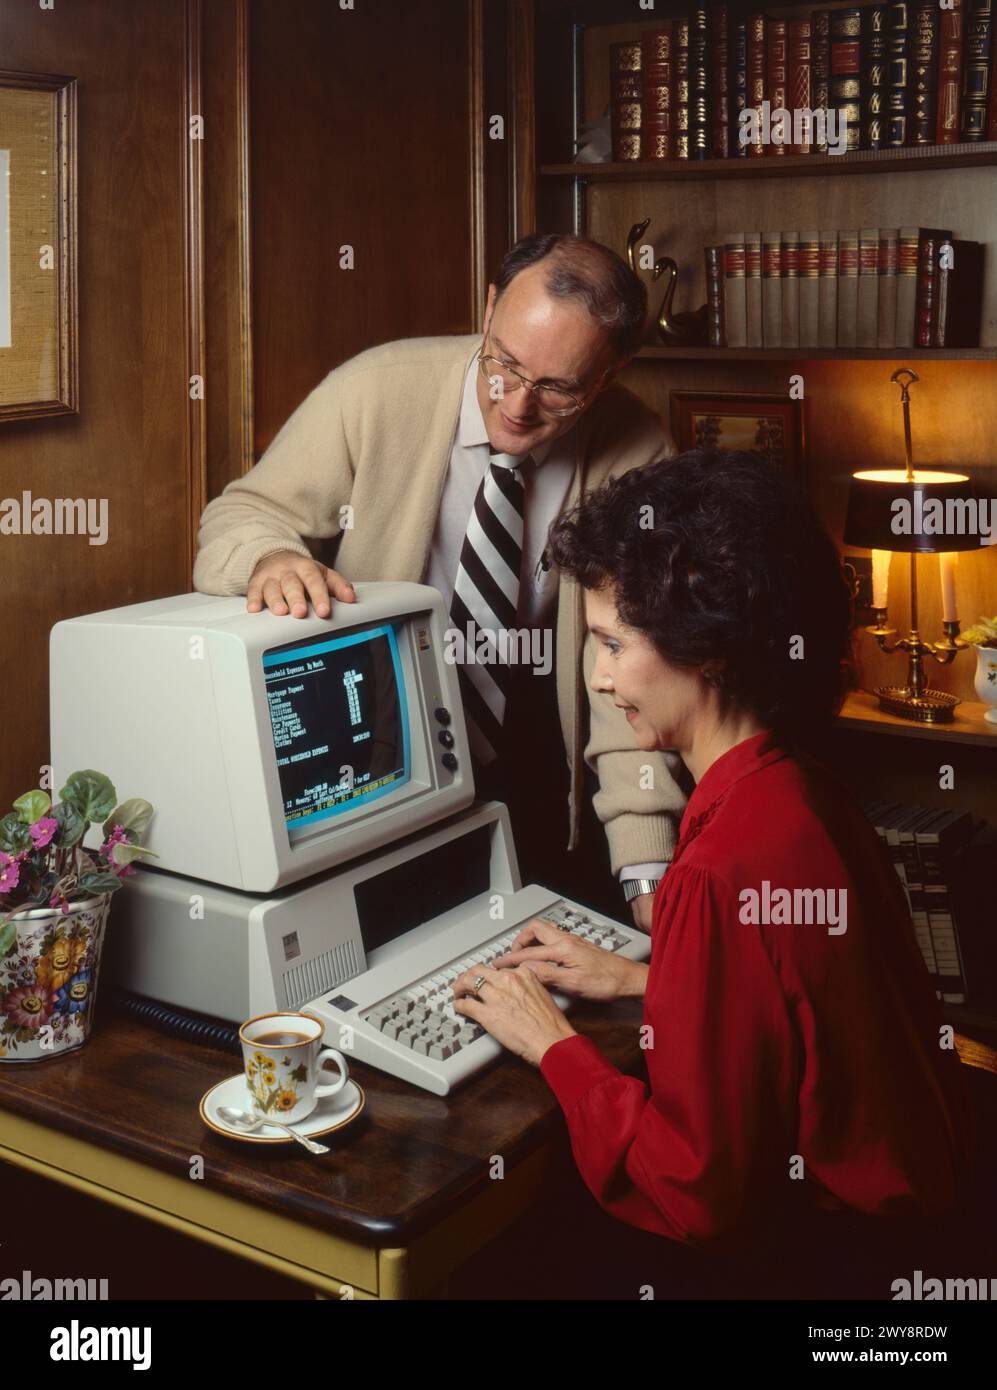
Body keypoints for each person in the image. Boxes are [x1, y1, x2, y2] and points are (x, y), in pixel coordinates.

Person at [452, 449, 975, 1299]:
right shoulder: (806, 795)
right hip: (922, 1222)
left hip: (832, 1270)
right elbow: (799, 1013)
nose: (597, 675)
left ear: (709, 654)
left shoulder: (712, 875)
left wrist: (557, 1046)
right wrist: (648, 977)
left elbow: (698, 1196)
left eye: (615, 643)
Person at [193, 234, 687, 928]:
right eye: (504, 365)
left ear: (611, 372)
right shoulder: (374, 388)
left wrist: (646, 869)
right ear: (489, 308)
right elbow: (243, 514)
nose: (516, 405)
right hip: (375, 759)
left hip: (541, 757)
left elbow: (630, 662)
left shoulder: (636, 446)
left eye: (555, 387)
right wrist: (269, 557)